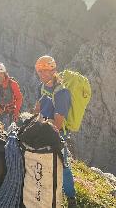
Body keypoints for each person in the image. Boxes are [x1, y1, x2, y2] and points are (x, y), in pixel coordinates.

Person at [34, 55, 77, 208]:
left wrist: (43, 126)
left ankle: (71, 198)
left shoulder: (62, 93)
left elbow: (58, 123)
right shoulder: (43, 86)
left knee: (63, 166)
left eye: (44, 71)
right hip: (44, 129)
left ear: (53, 70)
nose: (41, 74)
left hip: (57, 134)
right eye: (39, 71)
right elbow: (41, 106)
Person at [0, 62, 23, 129]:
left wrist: (16, 112)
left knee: (14, 127)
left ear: (4, 74)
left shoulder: (12, 84)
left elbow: (19, 98)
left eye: (1, 73)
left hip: (11, 107)